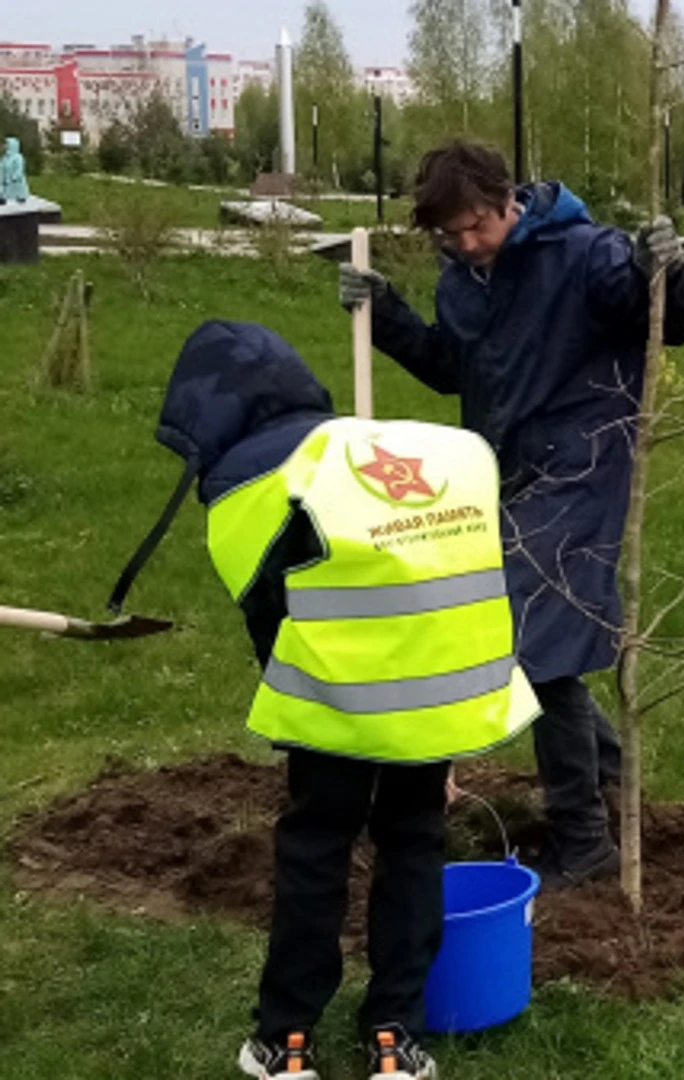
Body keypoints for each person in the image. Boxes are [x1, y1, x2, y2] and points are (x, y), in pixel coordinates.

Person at [133, 321, 539, 1080]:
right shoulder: (370, 453)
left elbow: (271, 623)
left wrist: (307, 717)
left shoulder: (259, 485)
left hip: (337, 699)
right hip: (438, 685)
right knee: (414, 840)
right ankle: (394, 1035)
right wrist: (434, 737)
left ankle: (286, 1040)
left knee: (317, 848)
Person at [338, 140, 684, 887]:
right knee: (530, 639)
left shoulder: (586, 255)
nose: (468, 242)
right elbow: (453, 367)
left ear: (510, 201)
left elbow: (672, 320)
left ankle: (585, 839)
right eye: (451, 234)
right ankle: (608, 771)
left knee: (537, 646)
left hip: (583, 466)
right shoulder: (463, 279)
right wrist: (385, 312)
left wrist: (669, 268)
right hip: (502, 474)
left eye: (478, 225)